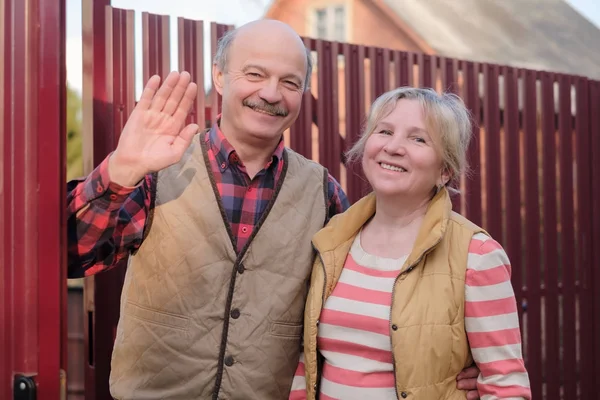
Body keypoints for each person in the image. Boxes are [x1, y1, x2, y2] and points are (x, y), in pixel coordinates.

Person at [66, 19, 481, 400]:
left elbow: (375, 300)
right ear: (219, 76)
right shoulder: (158, 171)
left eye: (289, 82)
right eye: (255, 74)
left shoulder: (324, 194)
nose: (270, 93)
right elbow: (70, 254)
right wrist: (118, 173)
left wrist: (452, 359)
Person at [289, 87, 531, 400]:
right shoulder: (332, 241)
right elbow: (304, 361)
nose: (393, 147)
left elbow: (506, 387)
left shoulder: (477, 257)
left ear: (445, 171)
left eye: (418, 138)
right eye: (385, 131)